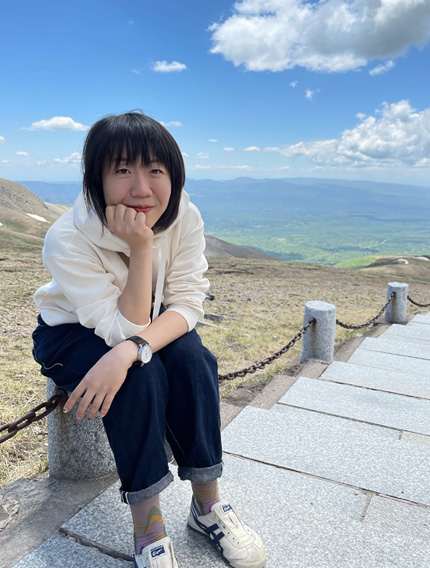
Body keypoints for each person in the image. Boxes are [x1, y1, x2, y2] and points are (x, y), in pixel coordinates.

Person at [32, 112, 266, 568]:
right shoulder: (68, 238)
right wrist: (141, 247)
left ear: (174, 176)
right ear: (96, 179)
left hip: (143, 322)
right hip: (71, 333)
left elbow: (188, 303)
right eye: (122, 169)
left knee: (194, 358)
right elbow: (120, 327)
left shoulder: (185, 217)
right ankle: (150, 527)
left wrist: (130, 350)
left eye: (155, 170)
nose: (141, 188)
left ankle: (207, 505)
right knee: (139, 378)